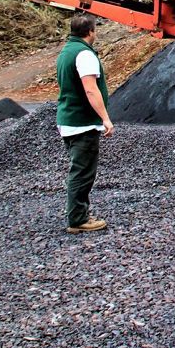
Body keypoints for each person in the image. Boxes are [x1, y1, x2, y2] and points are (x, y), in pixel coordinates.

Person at [55, 13, 115, 233]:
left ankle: (78, 213)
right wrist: (105, 118)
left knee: (79, 170)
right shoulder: (84, 54)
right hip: (82, 122)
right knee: (82, 172)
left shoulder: (65, 53)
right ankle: (78, 219)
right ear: (90, 31)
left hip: (69, 119)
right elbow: (90, 88)